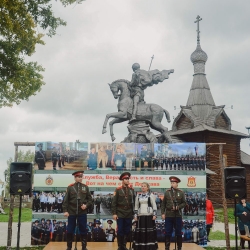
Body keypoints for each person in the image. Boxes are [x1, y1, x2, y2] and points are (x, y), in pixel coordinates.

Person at [63, 170, 93, 250]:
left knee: (83, 229)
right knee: (70, 230)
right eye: (78, 177)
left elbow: (90, 200)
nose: (80, 178)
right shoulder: (70, 187)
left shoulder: (85, 187)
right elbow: (66, 200)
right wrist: (65, 210)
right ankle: (69, 247)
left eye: (81, 177)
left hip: (82, 211)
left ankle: (84, 247)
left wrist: (86, 205)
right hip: (72, 211)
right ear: (75, 178)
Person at [161, 176, 186, 250]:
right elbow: (163, 204)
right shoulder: (167, 192)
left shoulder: (181, 193)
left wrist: (178, 207)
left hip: (177, 215)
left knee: (178, 232)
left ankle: (179, 247)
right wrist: (162, 213)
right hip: (168, 215)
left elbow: (184, 203)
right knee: (168, 232)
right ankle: (167, 247)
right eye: (171, 183)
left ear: (177, 184)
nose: (172, 184)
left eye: (174, 183)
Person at [111, 172, 134, 250]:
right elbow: (114, 202)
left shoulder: (131, 190)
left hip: (129, 212)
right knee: (120, 229)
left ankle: (124, 245)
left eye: (128, 179)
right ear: (122, 180)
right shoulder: (118, 190)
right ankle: (120, 246)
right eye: (126, 179)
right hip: (120, 212)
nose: (127, 180)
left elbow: (133, 203)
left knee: (127, 230)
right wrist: (114, 213)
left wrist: (133, 213)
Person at [133, 182, 158, 250]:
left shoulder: (151, 195)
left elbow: (154, 206)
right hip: (140, 216)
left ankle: (149, 247)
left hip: (149, 216)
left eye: (144, 186)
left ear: (147, 188)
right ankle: (140, 246)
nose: (143, 187)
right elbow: (136, 207)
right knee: (141, 232)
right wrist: (135, 215)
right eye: (142, 186)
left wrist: (154, 214)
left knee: (149, 232)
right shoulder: (138, 196)